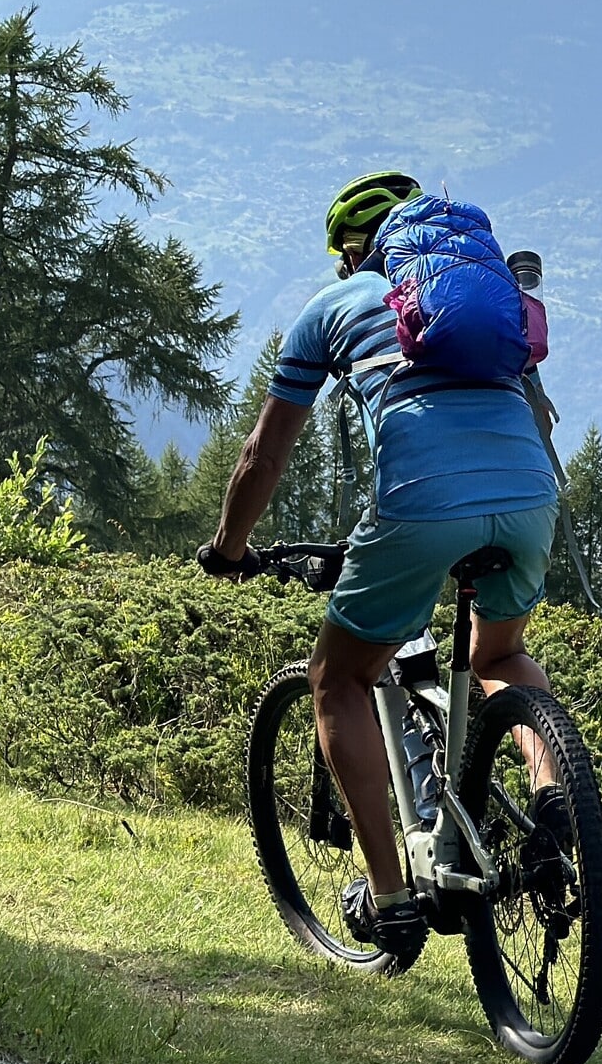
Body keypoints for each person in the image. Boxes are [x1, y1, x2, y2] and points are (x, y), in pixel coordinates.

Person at [198, 168, 561, 966]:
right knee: (497, 655)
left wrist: (228, 549)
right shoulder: (481, 305)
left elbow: (264, 455)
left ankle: (391, 897)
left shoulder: (330, 311)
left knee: (337, 681)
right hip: (532, 492)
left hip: (423, 500)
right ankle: (555, 799)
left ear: (349, 254)